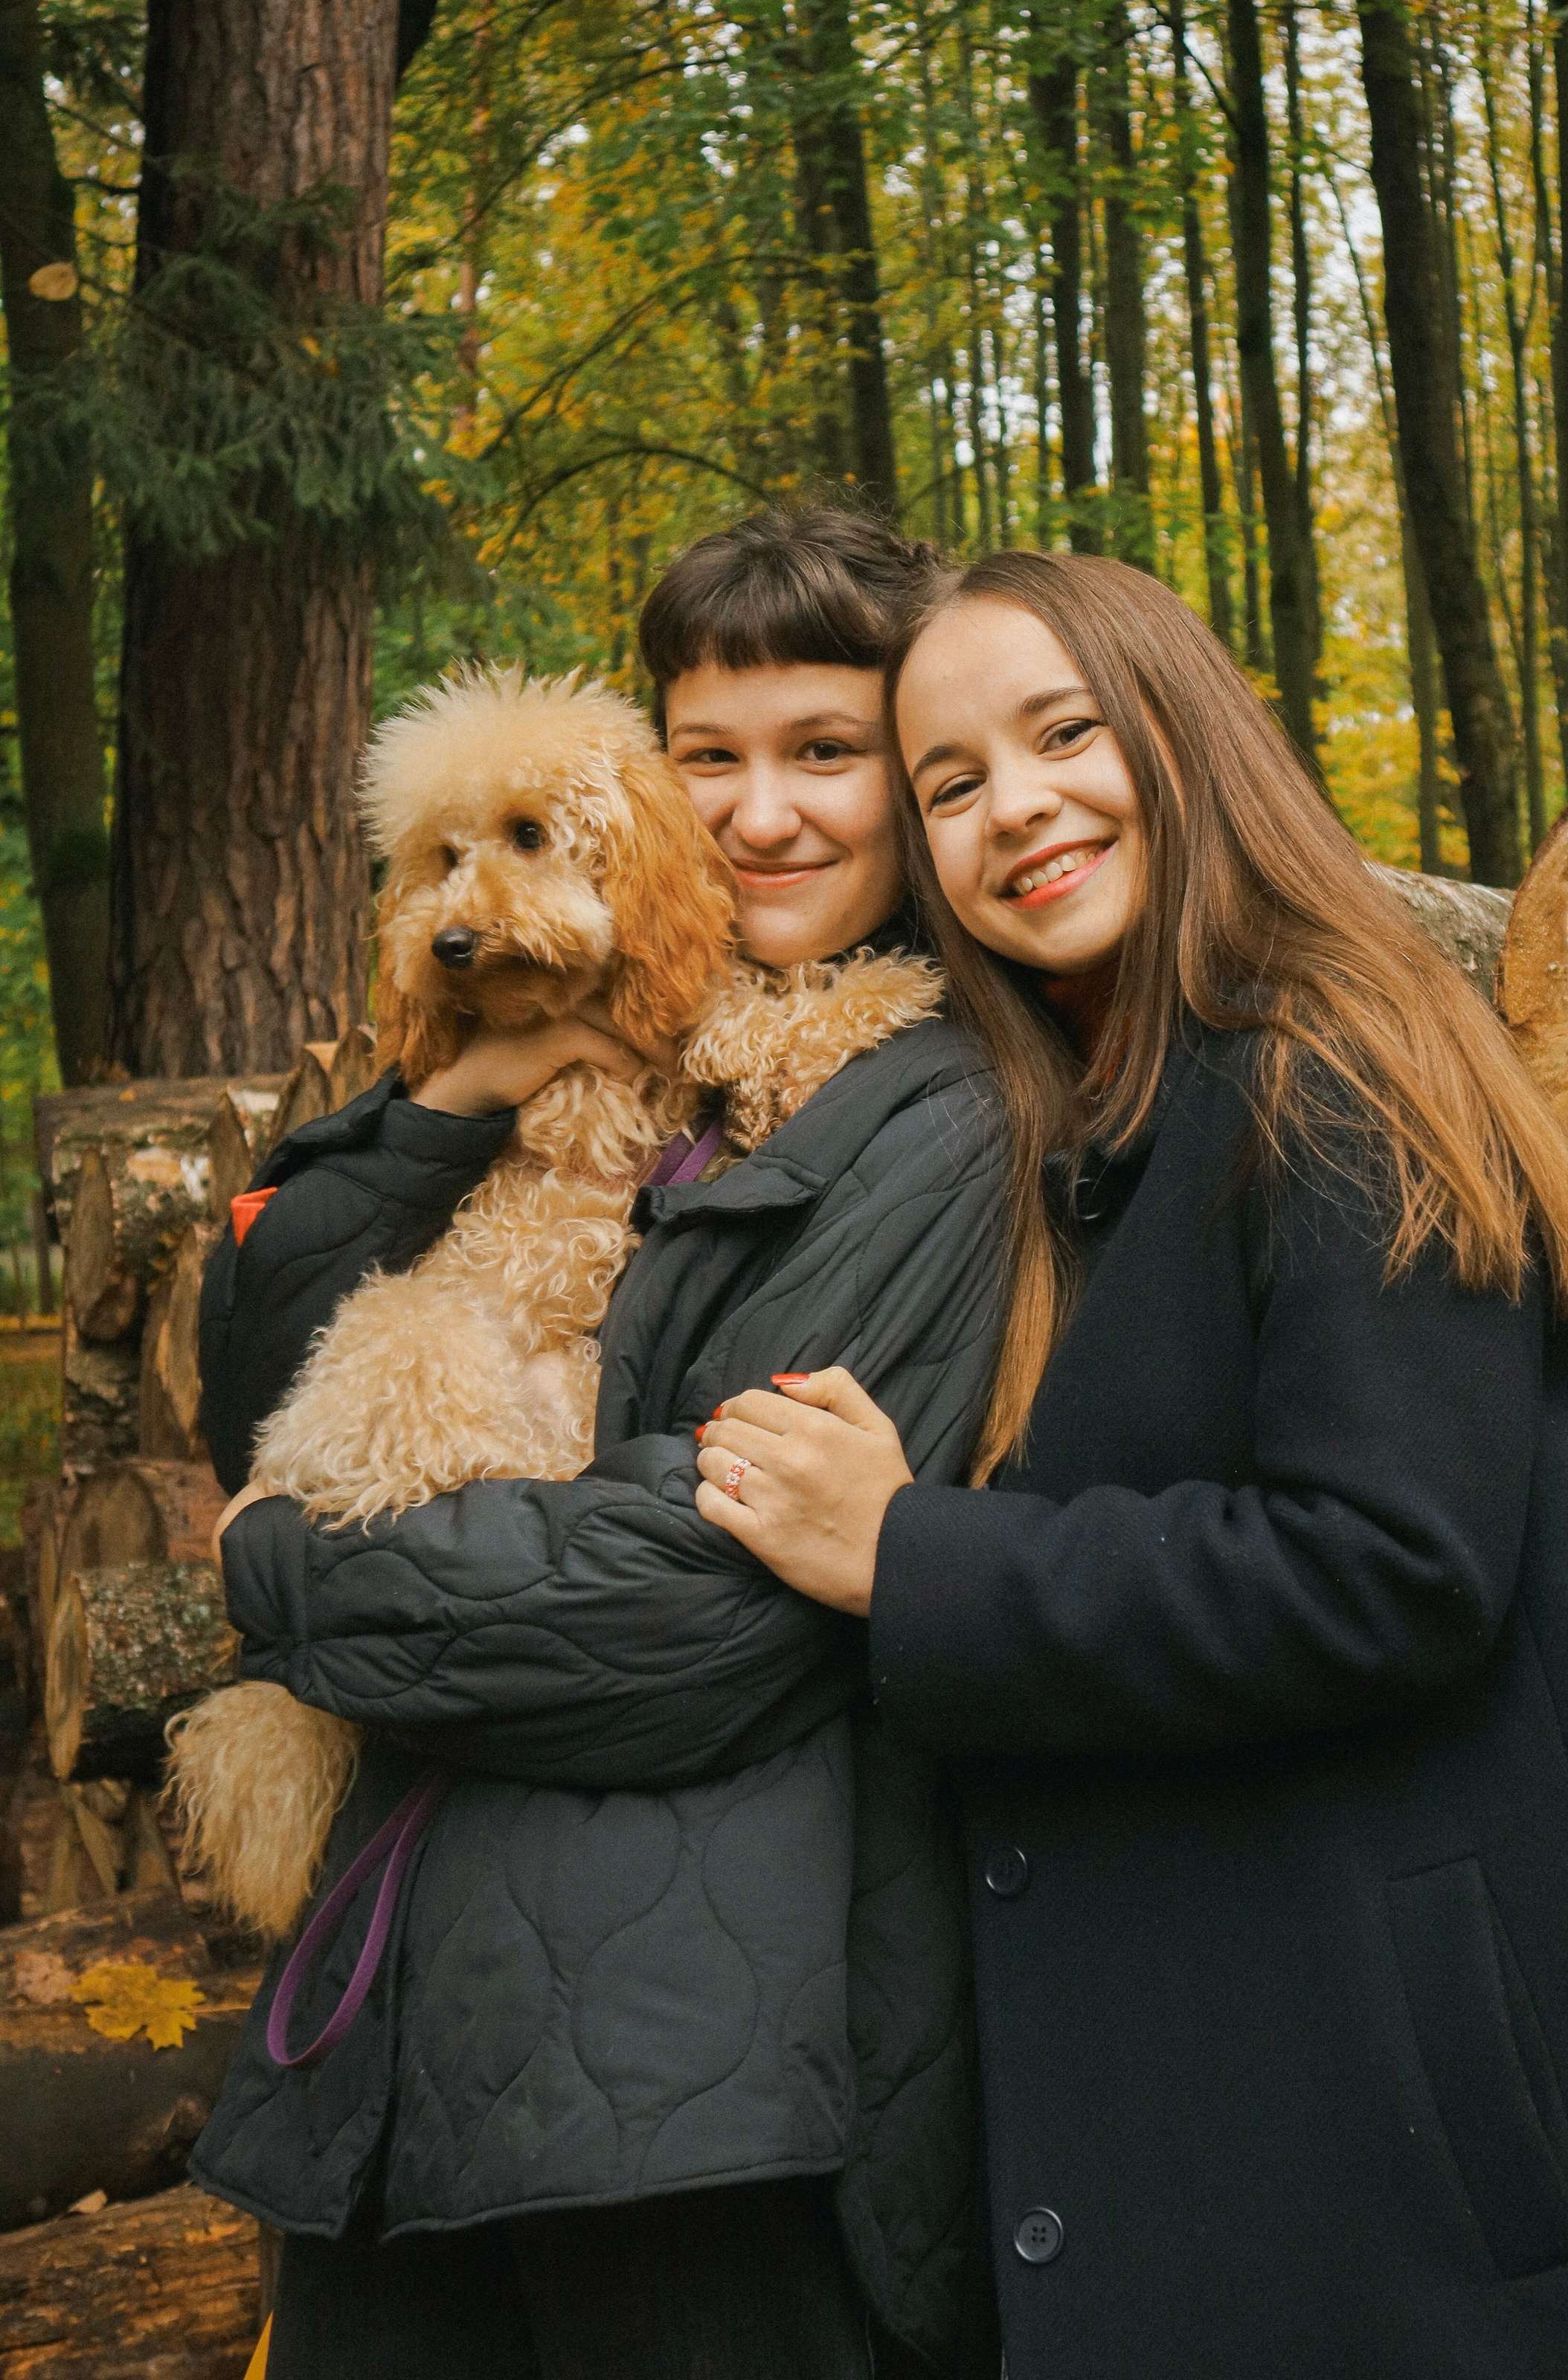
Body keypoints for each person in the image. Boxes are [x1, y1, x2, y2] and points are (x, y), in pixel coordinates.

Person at [692, 550, 1568, 2380]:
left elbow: (1382, 1565)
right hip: (1314, 2132)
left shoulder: (1322, 1063)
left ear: (1179, 735)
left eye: (1059, 734)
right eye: (949, 784)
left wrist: (912, 1556)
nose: (1012, 805)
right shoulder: (1128, 1117)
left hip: (1454, 2189)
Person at [192, 509, 1005, 2380]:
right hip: (414, 2023)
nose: (760, 814)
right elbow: (260, 1365)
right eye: (705, 759)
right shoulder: (603, 1034)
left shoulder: (934, 1112)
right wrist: (462, 1089)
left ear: (918, 770)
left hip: (692, 2077)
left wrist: (274, 1576)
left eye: (827, 753)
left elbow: (694, 1617)